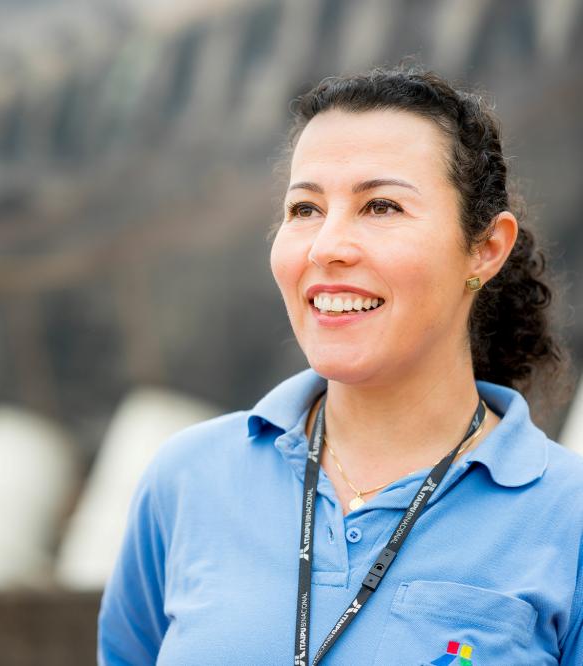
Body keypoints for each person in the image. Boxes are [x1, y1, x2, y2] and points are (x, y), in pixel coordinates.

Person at [96, 65, 583, 664]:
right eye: (304, 209)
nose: (327, 246)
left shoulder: (567, 517)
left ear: (485, 248)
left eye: (380, 206)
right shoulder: (187, 481)